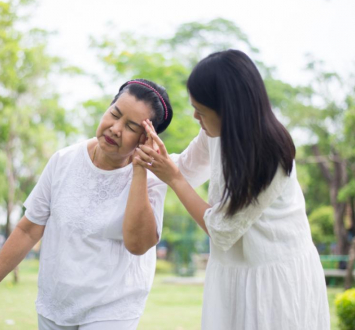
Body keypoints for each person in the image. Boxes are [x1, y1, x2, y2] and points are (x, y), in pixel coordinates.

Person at [135, 50, 330, 330]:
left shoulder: (269, 154)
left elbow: (221, 229)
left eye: (200, 111)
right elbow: (187, 167)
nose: (195, 116)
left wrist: (174, 179)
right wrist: (144, 158)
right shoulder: (216, 132)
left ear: (228, 110)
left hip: (272, 277)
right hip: (233, 271)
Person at [0, 79, 173, 330]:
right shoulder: (63, 160)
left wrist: (139, 168)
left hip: (113, 307)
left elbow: (138, 245)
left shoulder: (152, 178)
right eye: (114, 114)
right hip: (56, 304)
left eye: (131, 126)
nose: (115, 129)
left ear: (146, 138)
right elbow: (29, 229)